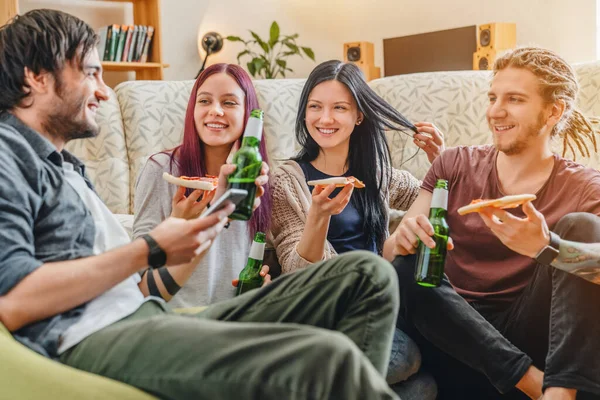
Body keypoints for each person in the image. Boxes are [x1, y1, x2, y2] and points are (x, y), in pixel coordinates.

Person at [0, 10, 403, 400]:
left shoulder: (65, 168)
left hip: (144, 314)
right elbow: (14, 301)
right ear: (35, 78)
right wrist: (151, 246)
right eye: (90, 73)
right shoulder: (7, 155)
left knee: (368, 275)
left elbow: (142, 290)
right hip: (89, 336)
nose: (103, 90)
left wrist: (218, 212)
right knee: (330, 357)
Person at [384, 47, 600, 400]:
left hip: (530, 336)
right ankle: (534, 386)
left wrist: (548, 250)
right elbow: (390, 255)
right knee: (409, 265)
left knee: (582, 229)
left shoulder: (585, 187)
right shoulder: (453, 165)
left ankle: (561, 392)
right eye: (493, 97)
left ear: (552, 111)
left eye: (514, 99)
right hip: (455, 339)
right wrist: (402, 240)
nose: (495, 111)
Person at [270, 60, 443, 399]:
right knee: (404, 358)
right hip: (326, 314)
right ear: (304, 113)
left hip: (377, 308)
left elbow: (432, 202)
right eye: (315, 107)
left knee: (424, 388)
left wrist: (442, 161)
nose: (325, 119)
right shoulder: (287, 180)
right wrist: (318, 217)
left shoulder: (376, 174)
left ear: (358, 116)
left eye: (339, 108)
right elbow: (294, 271)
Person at [133, 63, 272, 307]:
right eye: (205, 101)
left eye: (229, 103)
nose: (215, 111)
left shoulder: (258, 176)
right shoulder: (161, 169)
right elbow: (139, 271)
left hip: (234, 316)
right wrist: (177, 224)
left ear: (249, 114)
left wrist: (264, 284)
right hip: (174, 315)